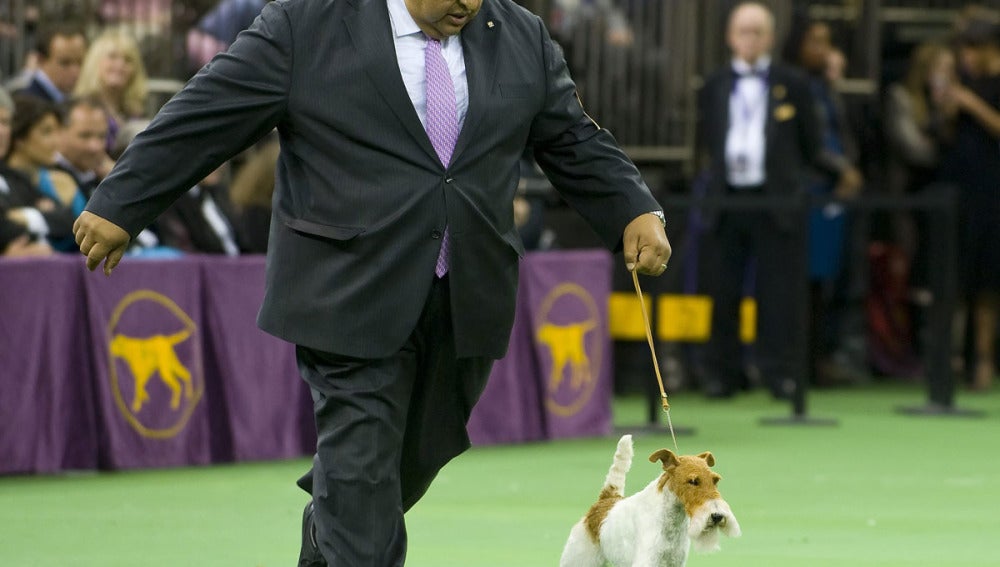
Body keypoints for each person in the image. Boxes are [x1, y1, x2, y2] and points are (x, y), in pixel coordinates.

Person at [72, 0, 672, 565]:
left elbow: (570, 137)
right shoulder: (306, 25)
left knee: (400, 468)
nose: (470, 4)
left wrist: (632, 208)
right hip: (346, 292)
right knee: (360, 472)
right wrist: (124, 200)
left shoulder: (520, 35)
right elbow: (206, 113)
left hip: (466, 296)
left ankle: (327, 530)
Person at [696, 2, 821, 399]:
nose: (750, 39)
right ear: (730, 37)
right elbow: (706, 141)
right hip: (727, 199)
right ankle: (722, 374)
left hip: (775, 201)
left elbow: (811, 144)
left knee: (778, 292)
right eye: (742, 31)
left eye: (757, 32)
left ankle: (779, 372)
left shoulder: (794, 83)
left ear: (770, 37)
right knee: (721, 288)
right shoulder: (713, 84)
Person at [783, 17, 865, 386]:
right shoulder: (790, 85)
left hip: (834, 196)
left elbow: (842, 135)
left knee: (828, 281)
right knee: (800, 281)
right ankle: (797, 366)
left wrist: (847, 172)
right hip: (809, 194)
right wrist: (840, 171)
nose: (824, 50)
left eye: (828, 42)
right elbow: (809, 145)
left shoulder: (826, 88)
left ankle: (819, 360)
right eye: (815, 41)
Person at [939, 16, 1000, 391]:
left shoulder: (983, 89)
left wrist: (970, 103)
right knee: (955, 280)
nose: (967, 58)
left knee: (988, 285)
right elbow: (946, 135)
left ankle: (984, 360)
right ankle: (952, 362)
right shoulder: (964, 84)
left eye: (972, 49)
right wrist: (947, 107)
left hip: (993, 193)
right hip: (958, 191)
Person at [4, 95, 84, 251]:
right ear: (19, 137)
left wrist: (27, 216)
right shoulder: (6, 180)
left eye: (57, 131)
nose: (56, 141)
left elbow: (75, 225)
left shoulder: (64, 179)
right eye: (46, 132)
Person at [73, 31, 149, 154]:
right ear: (95, 62)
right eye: (112, 57)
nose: (120, 65)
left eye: (128, 60)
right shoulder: (81, 109)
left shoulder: (135, 113)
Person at [57, 96, 115, 199]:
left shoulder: (106, 178)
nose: (95, 147)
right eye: (85, 136)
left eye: (101, 136)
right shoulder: (44, 180)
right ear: (60, 133)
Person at [16, 24, 87, 104]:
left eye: (80, 62)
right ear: (41, 61)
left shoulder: (77, 99)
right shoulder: (28, 103)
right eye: (65, 63)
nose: (75, 71)